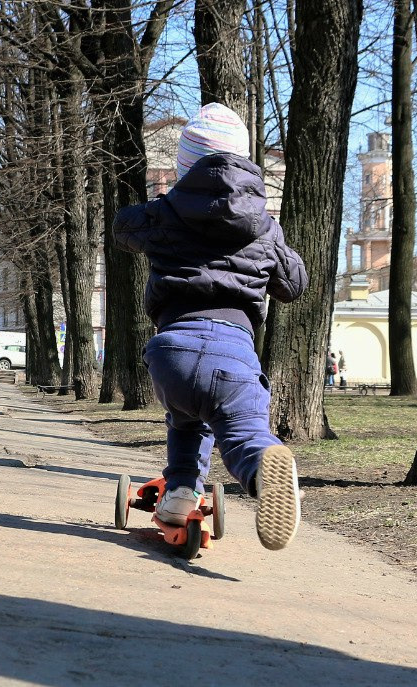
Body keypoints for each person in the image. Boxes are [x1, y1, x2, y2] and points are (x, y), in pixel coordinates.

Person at [113, 103, 309, 551]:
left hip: (172, 349)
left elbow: (124, 228)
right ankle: (264, 470)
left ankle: (181, 493)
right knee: (240, 430)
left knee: (186, 418)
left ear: (184, 167)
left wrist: (161, 210)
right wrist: (272, 244)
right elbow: (293, 285)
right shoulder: (264, 228)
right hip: (233, 351)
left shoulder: (164, 214)